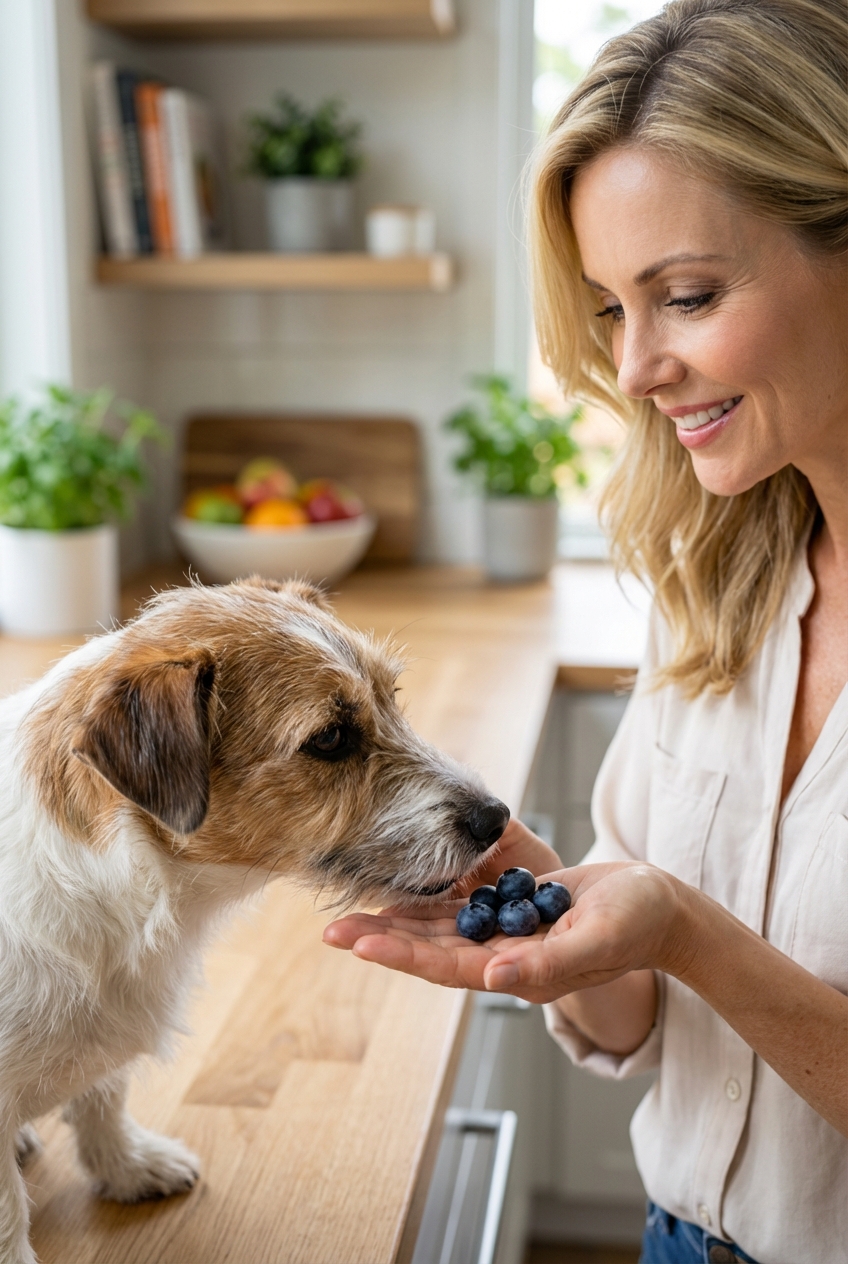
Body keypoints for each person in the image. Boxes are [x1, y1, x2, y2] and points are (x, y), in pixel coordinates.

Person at [324, 2, 848, 1260]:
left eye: (684, 295)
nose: (633, 368)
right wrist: (546, 908)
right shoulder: (715, 580)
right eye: (613, 308)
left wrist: (682, 930)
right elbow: (639, 1017)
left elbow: (680, 936)